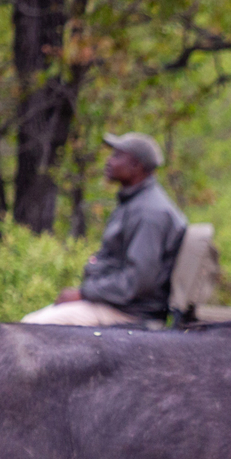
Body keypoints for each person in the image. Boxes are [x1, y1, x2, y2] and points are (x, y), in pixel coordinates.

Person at [22, 132, 187, 326]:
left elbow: (137, 281)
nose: (108, 161)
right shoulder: (134, 202)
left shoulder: (150, 213)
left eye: (117, 156)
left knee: (31, 327)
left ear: (136, 166)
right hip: (114, 305)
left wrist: (83, 293)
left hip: (129, 313)